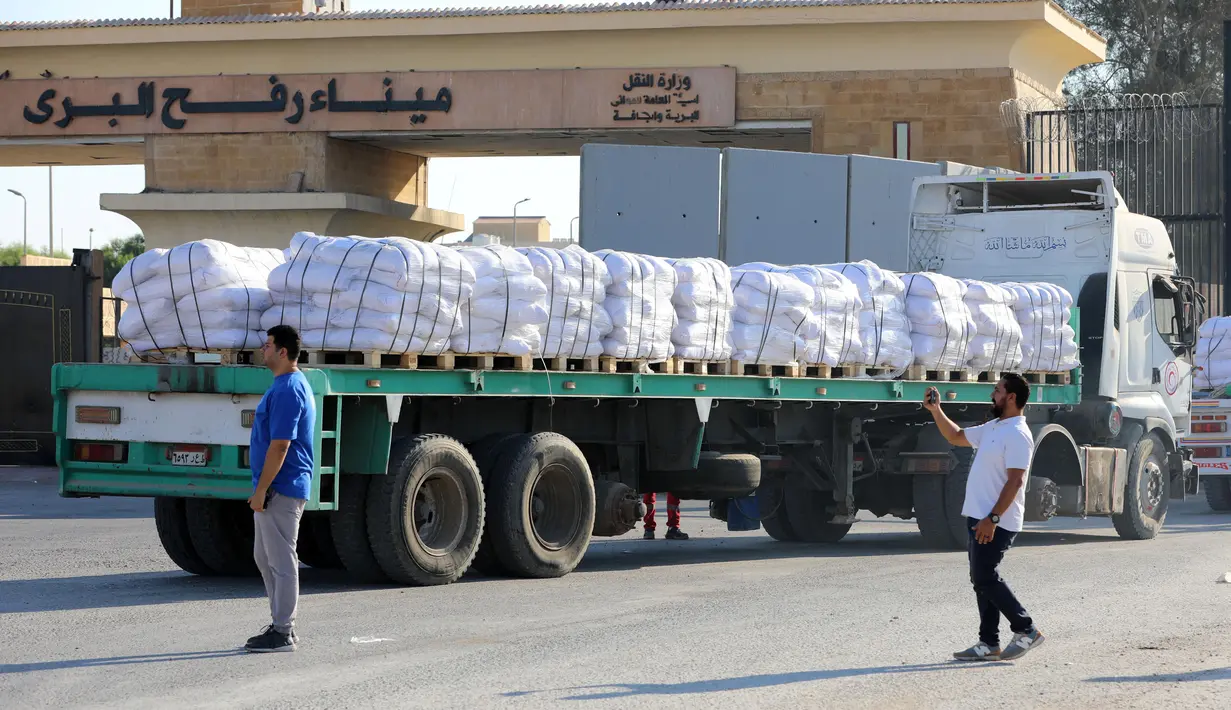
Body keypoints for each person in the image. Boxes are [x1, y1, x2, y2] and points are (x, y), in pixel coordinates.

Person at [923, 374, 1044, 662]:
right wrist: (935, 410)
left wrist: (993, 518)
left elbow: (1015, 481)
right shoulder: (995, 427)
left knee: (985, 576)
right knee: (981, 579)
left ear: (1011, 397)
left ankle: (1026, 629)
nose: (993, 394)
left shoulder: (1017, 434)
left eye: (998, 390)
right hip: (979, 516)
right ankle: (989, 643)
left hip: (996, 520)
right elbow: (955, 436)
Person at [244, 325, 316, 653]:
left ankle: (283, 630)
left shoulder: (288, 389)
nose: (264, 349)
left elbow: (281, 446)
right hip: (277, 487)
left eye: (269, 344)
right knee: (265, 557)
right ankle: (279, 623)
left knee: (281, 560)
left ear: (283, 352)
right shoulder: (283, 385)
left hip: (281, 488)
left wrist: (262, 489)